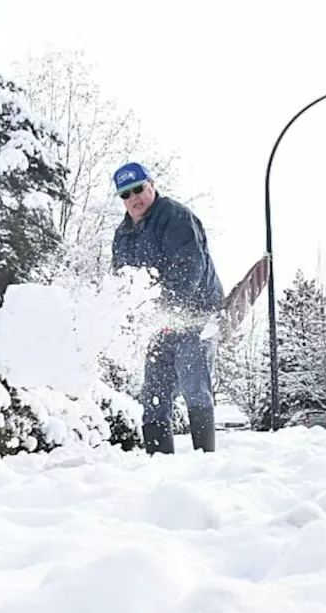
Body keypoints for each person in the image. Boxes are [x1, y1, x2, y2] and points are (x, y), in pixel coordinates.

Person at [110, 162, 223, 455]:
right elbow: (122, 281)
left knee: (193, 385)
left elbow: (189, 269)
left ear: (152, 185)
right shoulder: (123, 235)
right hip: (158, 322)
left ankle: (206, 460)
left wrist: (167, 311)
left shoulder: (176, 218)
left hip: (195, 315)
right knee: (154, 393)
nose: (134, 198)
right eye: (125, 194)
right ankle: (159, 463)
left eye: (139, 189)